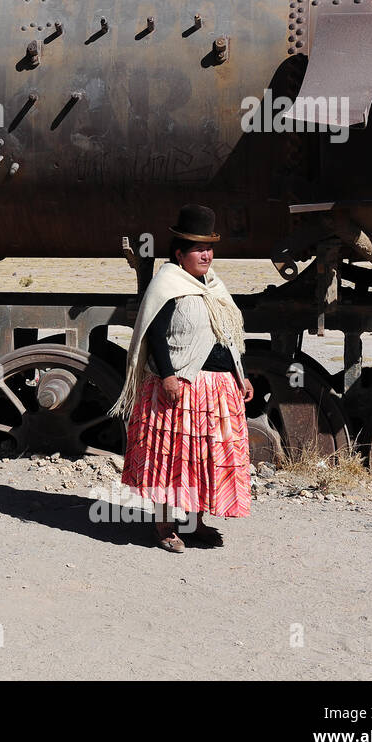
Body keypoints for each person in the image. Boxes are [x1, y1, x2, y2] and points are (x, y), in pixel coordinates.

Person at [108, 205, 254, 553]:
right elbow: (155, 334)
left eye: (209, 248)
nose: (206, 255)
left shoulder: (214, 285)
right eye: (198, 249)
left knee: (202, 458)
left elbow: (227, 335)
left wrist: (241, 375)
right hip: (181, 387)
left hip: (218, 387)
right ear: (179, 254)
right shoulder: (168, 284)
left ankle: (195, 521)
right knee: (171, 458)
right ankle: (163, 525)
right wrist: (169, 377)